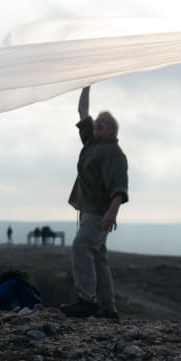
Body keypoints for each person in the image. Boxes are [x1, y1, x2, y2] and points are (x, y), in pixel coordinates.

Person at [61, 85, 129, 320]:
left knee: (82, 246)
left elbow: (119, 188)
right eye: (98, 121)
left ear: (113, 130)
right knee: (98, 257)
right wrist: (86, 84)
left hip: (99, 212)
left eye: (104, 123)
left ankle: (86, 301)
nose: (97, 124)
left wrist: (111, 213)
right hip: (88, 210)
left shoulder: (113, 153)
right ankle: (108, 309)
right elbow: (82, 112)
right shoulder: (92, 143)